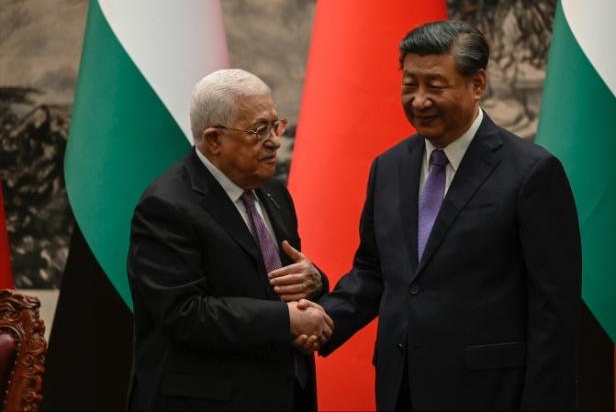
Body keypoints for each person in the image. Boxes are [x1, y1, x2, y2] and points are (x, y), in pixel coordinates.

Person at [313, 21, 582, 411]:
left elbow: (553, 309)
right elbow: (374, 272)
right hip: (400, 389)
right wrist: (321, 319)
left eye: (435, 87)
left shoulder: (531, 173)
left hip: (491, 394)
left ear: (477, 84)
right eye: (410, 84)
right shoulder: (388, 167)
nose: (419, 100)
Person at [127, 69, 333, 411]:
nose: (274, 141)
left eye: (274, 125)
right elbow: (183, 312)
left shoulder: (275, 193)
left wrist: (315, 281)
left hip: (283, 392)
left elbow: (275, 284)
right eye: (258, 130)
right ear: (213, 140)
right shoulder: (166, 205)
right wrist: (286, 321)